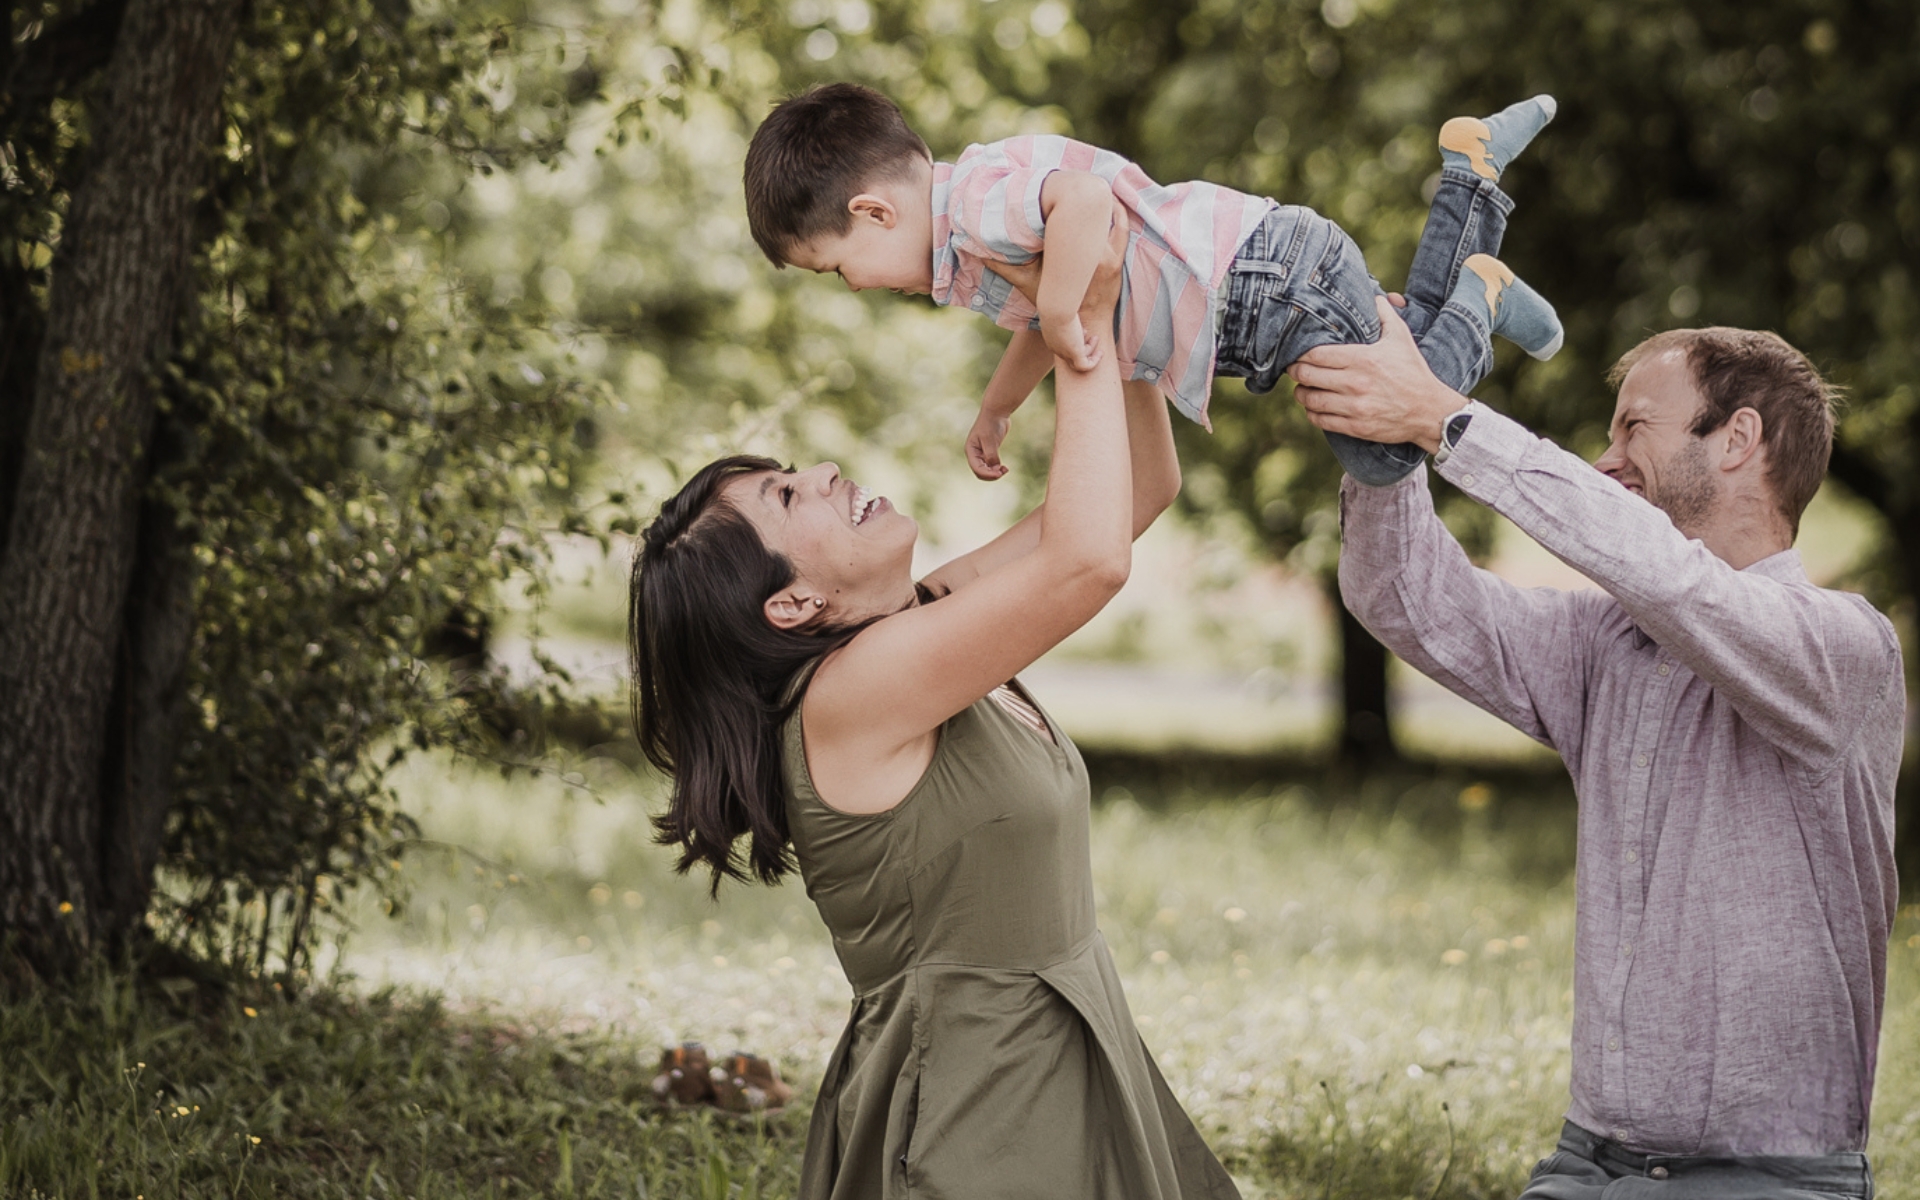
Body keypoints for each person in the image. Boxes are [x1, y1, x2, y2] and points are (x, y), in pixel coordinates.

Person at [630, 221, 1240, 1198]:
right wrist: (1072, 318)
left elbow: (1139, 494)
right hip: (973, 1126)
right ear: (790, 604)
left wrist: (1112, 303)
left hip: (1062, 1062)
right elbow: (1088, 563)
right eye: (791, 495)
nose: (825, 474)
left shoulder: (922, 625)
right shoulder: (850, 698)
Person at [1287, 303, 1900, 1199]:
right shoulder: (1607, 646)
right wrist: (1383, 444)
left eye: (1633, 429)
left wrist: (1444, 418)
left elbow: (1672, 581)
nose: (1606, 460)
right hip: (1586, 1166)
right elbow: (1403, 595)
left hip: (1771, 1178)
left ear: (1738, 439)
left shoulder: (1846, 649)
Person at [742, 81, 1564, 489]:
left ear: (874, 211)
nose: (851, 288)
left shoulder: (977, 204)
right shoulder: (972, 244)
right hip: (1261, 294)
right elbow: (1038, 324)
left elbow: (1085, 201)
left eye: (835, 267)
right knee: (1403, 372)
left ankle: (1480, 285)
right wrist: (999, 406)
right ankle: (1472, 185)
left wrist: (1064, 311)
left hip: (1259, 281)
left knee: (1388, 443)